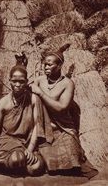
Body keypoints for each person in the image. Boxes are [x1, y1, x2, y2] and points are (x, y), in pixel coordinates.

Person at [31, 45, 98, 178]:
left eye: (49, 65)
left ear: (60, 65)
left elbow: (61, 108)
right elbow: (20, 87)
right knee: (38, 164)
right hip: (43, 130)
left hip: (63, 130)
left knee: (73, 158)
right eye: (45, 64)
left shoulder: (68, 84)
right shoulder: (39, 80)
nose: (46, 67)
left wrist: (40, 93)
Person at [0, 65, 45, 176]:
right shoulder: (3, 103)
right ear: (9, 81)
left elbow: (37, 125)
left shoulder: (33, 99)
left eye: (21, 81)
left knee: (36, 168)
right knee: (17, 159)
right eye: (14, 81)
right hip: (8, 141)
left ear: (26, 81)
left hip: (27, 141)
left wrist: (30, 149)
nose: (17, 85)